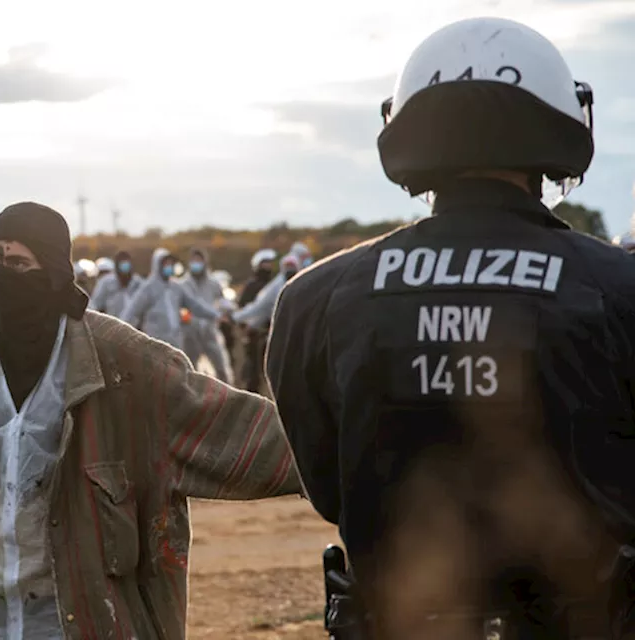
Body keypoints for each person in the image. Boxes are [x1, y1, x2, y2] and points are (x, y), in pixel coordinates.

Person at [267, 17, 635, 639]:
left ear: (406, 128)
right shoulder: (616, 286)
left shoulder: (314, 297)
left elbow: (331, 486)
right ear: (560, 122)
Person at [0, 202, 299, 638]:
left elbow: (225, 422)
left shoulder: (124, 364)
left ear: (52, 272)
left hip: (87, 618)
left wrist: (336, 448)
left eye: (20, 262)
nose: (4, 274)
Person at [119, 248, 222, 351]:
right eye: (166, 264)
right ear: (157, 265)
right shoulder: (148, 288)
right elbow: (131, 312)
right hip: (155, 342)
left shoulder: (176, 288)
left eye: (171, 264)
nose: (169, 267)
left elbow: (195, 306)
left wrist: (216, 315)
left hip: (175, 342)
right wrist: (120, 333)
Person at [177, 248, 234, 383]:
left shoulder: (213, 283)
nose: (196, 263)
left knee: (221, 368)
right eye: (193, 261)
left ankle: (228, 398)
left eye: (199, 260)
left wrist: (229, 311)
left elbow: (222, 301)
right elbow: (180, 307)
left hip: (210, 332)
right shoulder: (183, 284)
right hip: (190, 333)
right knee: (189, 370)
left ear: (205, 262)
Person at [236, 248, 277, 393]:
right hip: (254, 336)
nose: (268, 266)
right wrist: (247, 327)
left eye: (269, 263)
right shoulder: (251, 286)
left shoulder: (274, 285)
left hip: (271, 335)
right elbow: (242, 309)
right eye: (264, 263)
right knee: (252, 374)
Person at [87, 250, 143, 316]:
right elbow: (95, 305)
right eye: (122, 264)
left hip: (133, 325)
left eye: (127, 263)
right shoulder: (106, 283)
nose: (124, 267)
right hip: (112, 323)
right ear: (116, 265)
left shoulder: (138, 283)